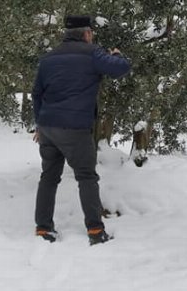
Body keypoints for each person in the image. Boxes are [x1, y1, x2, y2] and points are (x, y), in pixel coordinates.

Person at [31, 14, 131, 245]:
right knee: (86, 177)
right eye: (91, 33)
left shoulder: (48, 59)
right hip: (75, 128)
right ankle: (95, 231)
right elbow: (121, 68)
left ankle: (43, 228)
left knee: (48, 177)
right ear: (87, 33)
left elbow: (37, 93)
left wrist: (39, 123)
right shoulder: (93, 53)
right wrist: (116, 56)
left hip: (48, 127)